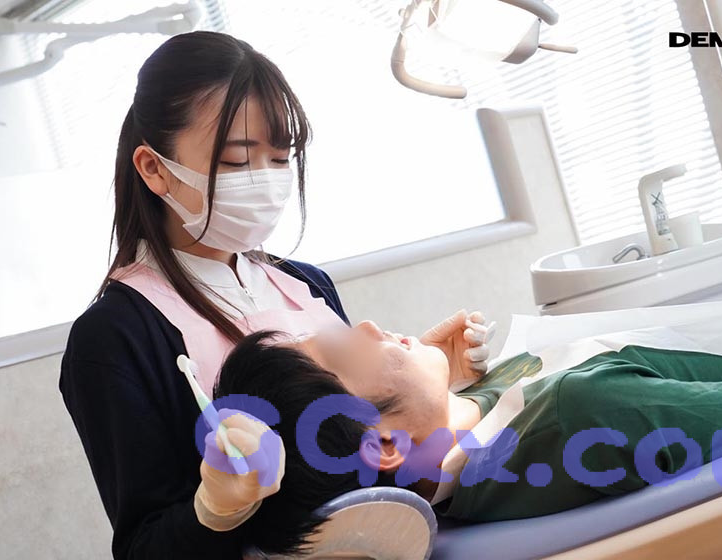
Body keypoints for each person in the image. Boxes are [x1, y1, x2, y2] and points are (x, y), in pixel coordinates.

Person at [58, 31, 493, 559]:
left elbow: (372, 461)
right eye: (237, 161)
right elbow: (143, 549)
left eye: (281, 157)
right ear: (153, 168)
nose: (264, 181)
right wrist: (215, 510)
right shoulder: (116, 337)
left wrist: (425, 391)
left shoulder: (306, 284)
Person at [213, 322, 722, 556]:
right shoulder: (584, 413)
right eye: (349, 348)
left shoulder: (461, 465)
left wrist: (449, 384)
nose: (372, 326)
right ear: (381, 446)